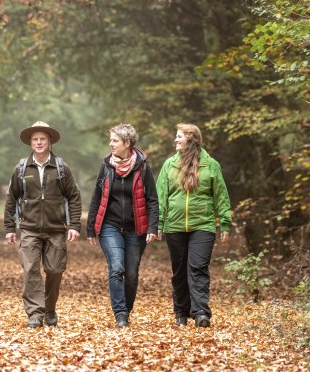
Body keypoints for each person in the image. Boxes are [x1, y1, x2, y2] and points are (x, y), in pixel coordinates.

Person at [4, 121, 82, 328]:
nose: (39, 142)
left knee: (55, 270)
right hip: (29, 229)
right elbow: (11, 199)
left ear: (49, 142)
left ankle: (49, 308)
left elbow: (74, 196)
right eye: (35, 139)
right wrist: (10, 228)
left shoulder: (61, 167)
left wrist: (74, 225)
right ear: (30, 142)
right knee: (30, 269)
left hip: (56, 229)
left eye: (42, 139)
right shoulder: (21, 168)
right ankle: (35, 314)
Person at [156, 123, 231, 328]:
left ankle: (201, 313)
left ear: (191, 139)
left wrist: (224, 223)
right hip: (175, 226)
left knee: (198, 268)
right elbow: (161, 197)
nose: (176, 140)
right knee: (179, 271)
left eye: (179, 136)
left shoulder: (210, 165)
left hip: (203, 225)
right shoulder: (169, 165)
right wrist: (159, 223)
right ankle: (181, 311)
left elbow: (221, 195)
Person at [87, 123, 159, 328]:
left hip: (136, 228)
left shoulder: (143, 166)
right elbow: (97, 197)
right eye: (110, 140)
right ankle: (120, 314)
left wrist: (152, 227)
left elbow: (152, 199)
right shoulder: (106, 165)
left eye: (115, 141)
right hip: (110, 226)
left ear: (127, 143)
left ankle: (126, 310)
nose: (111, 144)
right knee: (116, 268)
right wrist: (91, 227)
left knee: (131, 273)